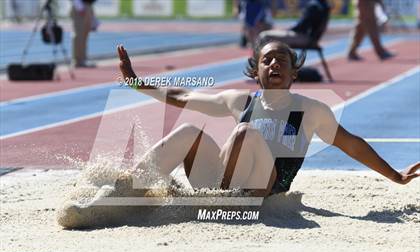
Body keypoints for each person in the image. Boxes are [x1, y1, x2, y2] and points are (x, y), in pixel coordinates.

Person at [116, 38, 419, 198]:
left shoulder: (311, 110)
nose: (274, 64)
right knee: (187, 131)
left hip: (264, 188)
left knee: (245, 133)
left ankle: (222, 200)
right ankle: (123, 191)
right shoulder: (239, 101)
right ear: (256, 71)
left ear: (293, 72)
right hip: (222, 182)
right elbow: (182, 97)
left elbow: (351, 144)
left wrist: (395, 175)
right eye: (267, 60)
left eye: (282, 61)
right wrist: (135, 83)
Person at [258, 0, 330, 47]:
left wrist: (288, 31)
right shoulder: (324, 4)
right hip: (312, 39)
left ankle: (257, 67)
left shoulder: (314, 5)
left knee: (264, 36)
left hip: (305, 38)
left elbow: (301, 27)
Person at [71, 0, 97, 68]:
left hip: (87, 6)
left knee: (85, 35)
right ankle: (77, 60)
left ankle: (83, 59)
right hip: (80, 7)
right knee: (79, 34)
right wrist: (79, 6)